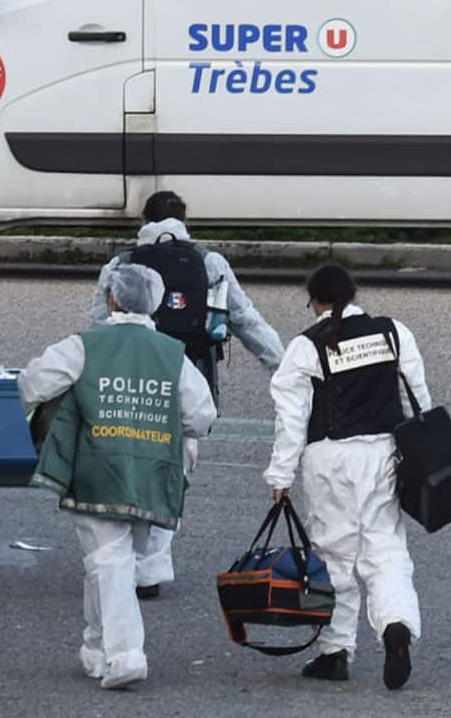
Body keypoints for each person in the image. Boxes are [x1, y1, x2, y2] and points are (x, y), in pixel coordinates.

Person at [19, 263, 216, 689]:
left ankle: (126, 655)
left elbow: (32, 384)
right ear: (155, 303)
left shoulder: (83, 345)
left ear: (111, 298)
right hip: (153, 472)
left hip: (97, 466)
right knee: (109, 562)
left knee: (109, 561)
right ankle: (95, 648)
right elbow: (201, 415)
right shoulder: (172, 353)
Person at [89, 190, 283, 599]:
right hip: (187, 375)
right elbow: (246, 320)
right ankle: (150, 568)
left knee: (128, 464)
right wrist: (285, 370)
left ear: (143, 220)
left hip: (130, 378)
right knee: (173, 469)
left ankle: (124, 558)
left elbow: (97, 325)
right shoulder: (209, 262)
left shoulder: (121, 264)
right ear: (184, 220)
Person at [264, 265, 428, 690]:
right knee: (386, 550)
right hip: (383, 453)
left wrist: (281, 475)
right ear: (354, 294)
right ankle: (397, 624)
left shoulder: (306, 345)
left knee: (332, 555)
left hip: (329, 457)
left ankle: (334, 651)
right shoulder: (393, 332)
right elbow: (417, 400)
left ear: (315, 301)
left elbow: (291, 419)